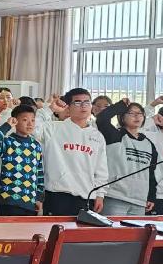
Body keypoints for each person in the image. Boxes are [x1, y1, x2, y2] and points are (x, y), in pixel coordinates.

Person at [35, 88, 108, 216]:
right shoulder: (53, 128)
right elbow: (33, 128)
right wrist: (49, 109)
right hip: (57, 194)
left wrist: (100, 194)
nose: (83, 106)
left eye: (87, 102)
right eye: (78, 102)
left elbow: (101, 169)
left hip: (86, 196)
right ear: (68, 107)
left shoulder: (97, 136)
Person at [95, 98, 158, 217]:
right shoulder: (115, 135)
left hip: (139, 200)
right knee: (113, 229)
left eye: (140, 113)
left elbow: (151, 172)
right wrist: (120, 105)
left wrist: (151, 196)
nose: (137, 116)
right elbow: (102, 119)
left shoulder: (149, 144)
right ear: (122, 117)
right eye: (131, 113)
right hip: (115, 196)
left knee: (136, 230)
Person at [0, 105, 45, 216]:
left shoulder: (36, 145)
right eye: (25, 120)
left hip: (30, 201)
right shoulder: (8, 142)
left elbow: (39, 173)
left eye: (33, 120)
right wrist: (7, 125)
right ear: (15, 121)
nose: (30, 124)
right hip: (9, 200)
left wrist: (39, 198)